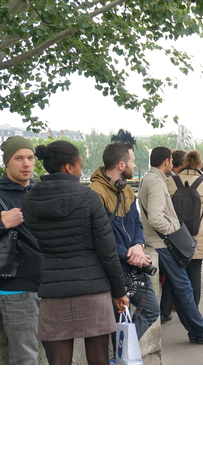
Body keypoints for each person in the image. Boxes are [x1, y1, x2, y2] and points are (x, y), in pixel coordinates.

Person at [22, 141, 130, 364]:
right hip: (93, 288)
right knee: (99, 359)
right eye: (80, 165)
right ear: (68, 168)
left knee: (59, 363)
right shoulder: (88, 197)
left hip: (53, 290)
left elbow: (38, 242)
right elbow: (107, 250)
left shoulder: (30, 199)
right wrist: (119, 291)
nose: (82, 171)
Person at [138, 146, 203, 344]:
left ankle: (198, 331)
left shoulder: (159, 180)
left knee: (181, 287)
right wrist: (174, 230)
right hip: (164, 241)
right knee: (184, 287)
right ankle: (202, 332)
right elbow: (155, 217)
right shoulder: (156, 182)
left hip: (159, 241)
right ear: (167, 161)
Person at [88, 137, 160, 344]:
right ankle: (121, 356)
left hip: (131, 262)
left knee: (130, 315)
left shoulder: (126, 189)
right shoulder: (95, 193)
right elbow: (98, 235)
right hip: (116, 265)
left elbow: (136, 222)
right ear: (121, 165)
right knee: (137, 313)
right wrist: (129, 254)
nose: (135, 165)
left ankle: (120, 356)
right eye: (132, 161)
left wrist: (138, 245)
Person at [0, 137, 45, 365]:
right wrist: (3, 223)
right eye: (18, 158)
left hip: (49, 287)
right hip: (16, 290)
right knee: (25, 359)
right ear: (7, 162)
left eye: (30, 157)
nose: (26, 163)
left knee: (59, 357)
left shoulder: (41, 191)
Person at [166, 150, 203, 306]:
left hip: (176, 233)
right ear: (199, 164)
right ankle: (193, 309)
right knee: (195, 273)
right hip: (199, 233)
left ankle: (168, 309)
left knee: (175, 272)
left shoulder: (171, 182)